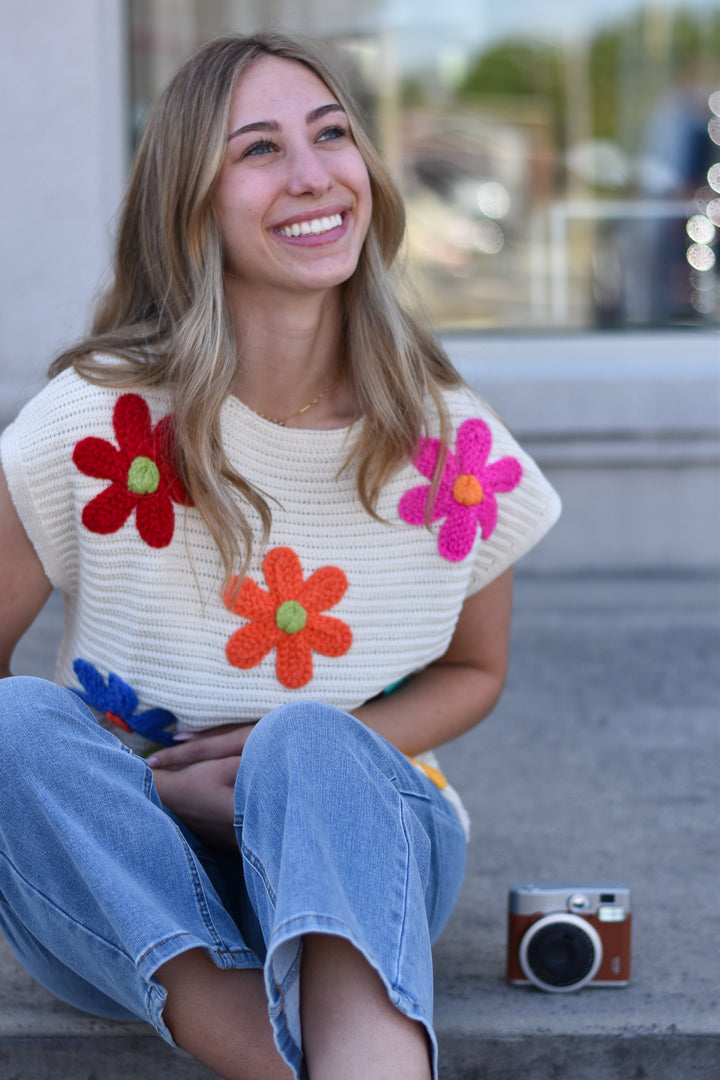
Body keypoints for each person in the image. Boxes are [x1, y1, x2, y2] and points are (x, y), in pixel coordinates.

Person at [0, 31, 560, 1080]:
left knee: (307, 739)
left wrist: (279, 763)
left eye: (332, 134)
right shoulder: (96, 427)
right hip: (127, 878)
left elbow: (477, 669)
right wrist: (155, 798)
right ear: (190, 200)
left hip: (362, 850)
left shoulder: (445, 441)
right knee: (12, 723)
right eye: (258, 149)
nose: (313, 176)